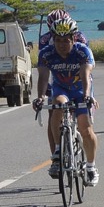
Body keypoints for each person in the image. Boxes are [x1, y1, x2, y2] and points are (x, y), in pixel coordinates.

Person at [33, 17, 100, 186]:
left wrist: (86, 95)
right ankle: (58, 150)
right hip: (61, 89)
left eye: (66, 40)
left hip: (80, 90)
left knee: (85, 128)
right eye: (58, 40)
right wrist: (40, 97)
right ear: (53, 39)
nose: (62, 44)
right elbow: (43, 77)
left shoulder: (82, 51)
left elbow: (86, 75)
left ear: (73, 39)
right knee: (57, 104)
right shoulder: (46, 53)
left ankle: (91, 167)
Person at [38, 9, 89, 155]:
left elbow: (86, 63)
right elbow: (44, 66)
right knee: (54, 112)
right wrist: (42, 94)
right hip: (56, 79)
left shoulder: (79, 37)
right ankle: (56, 153)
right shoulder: (45, 40)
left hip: (76, 77)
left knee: (81, 114)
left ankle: (77, 136)